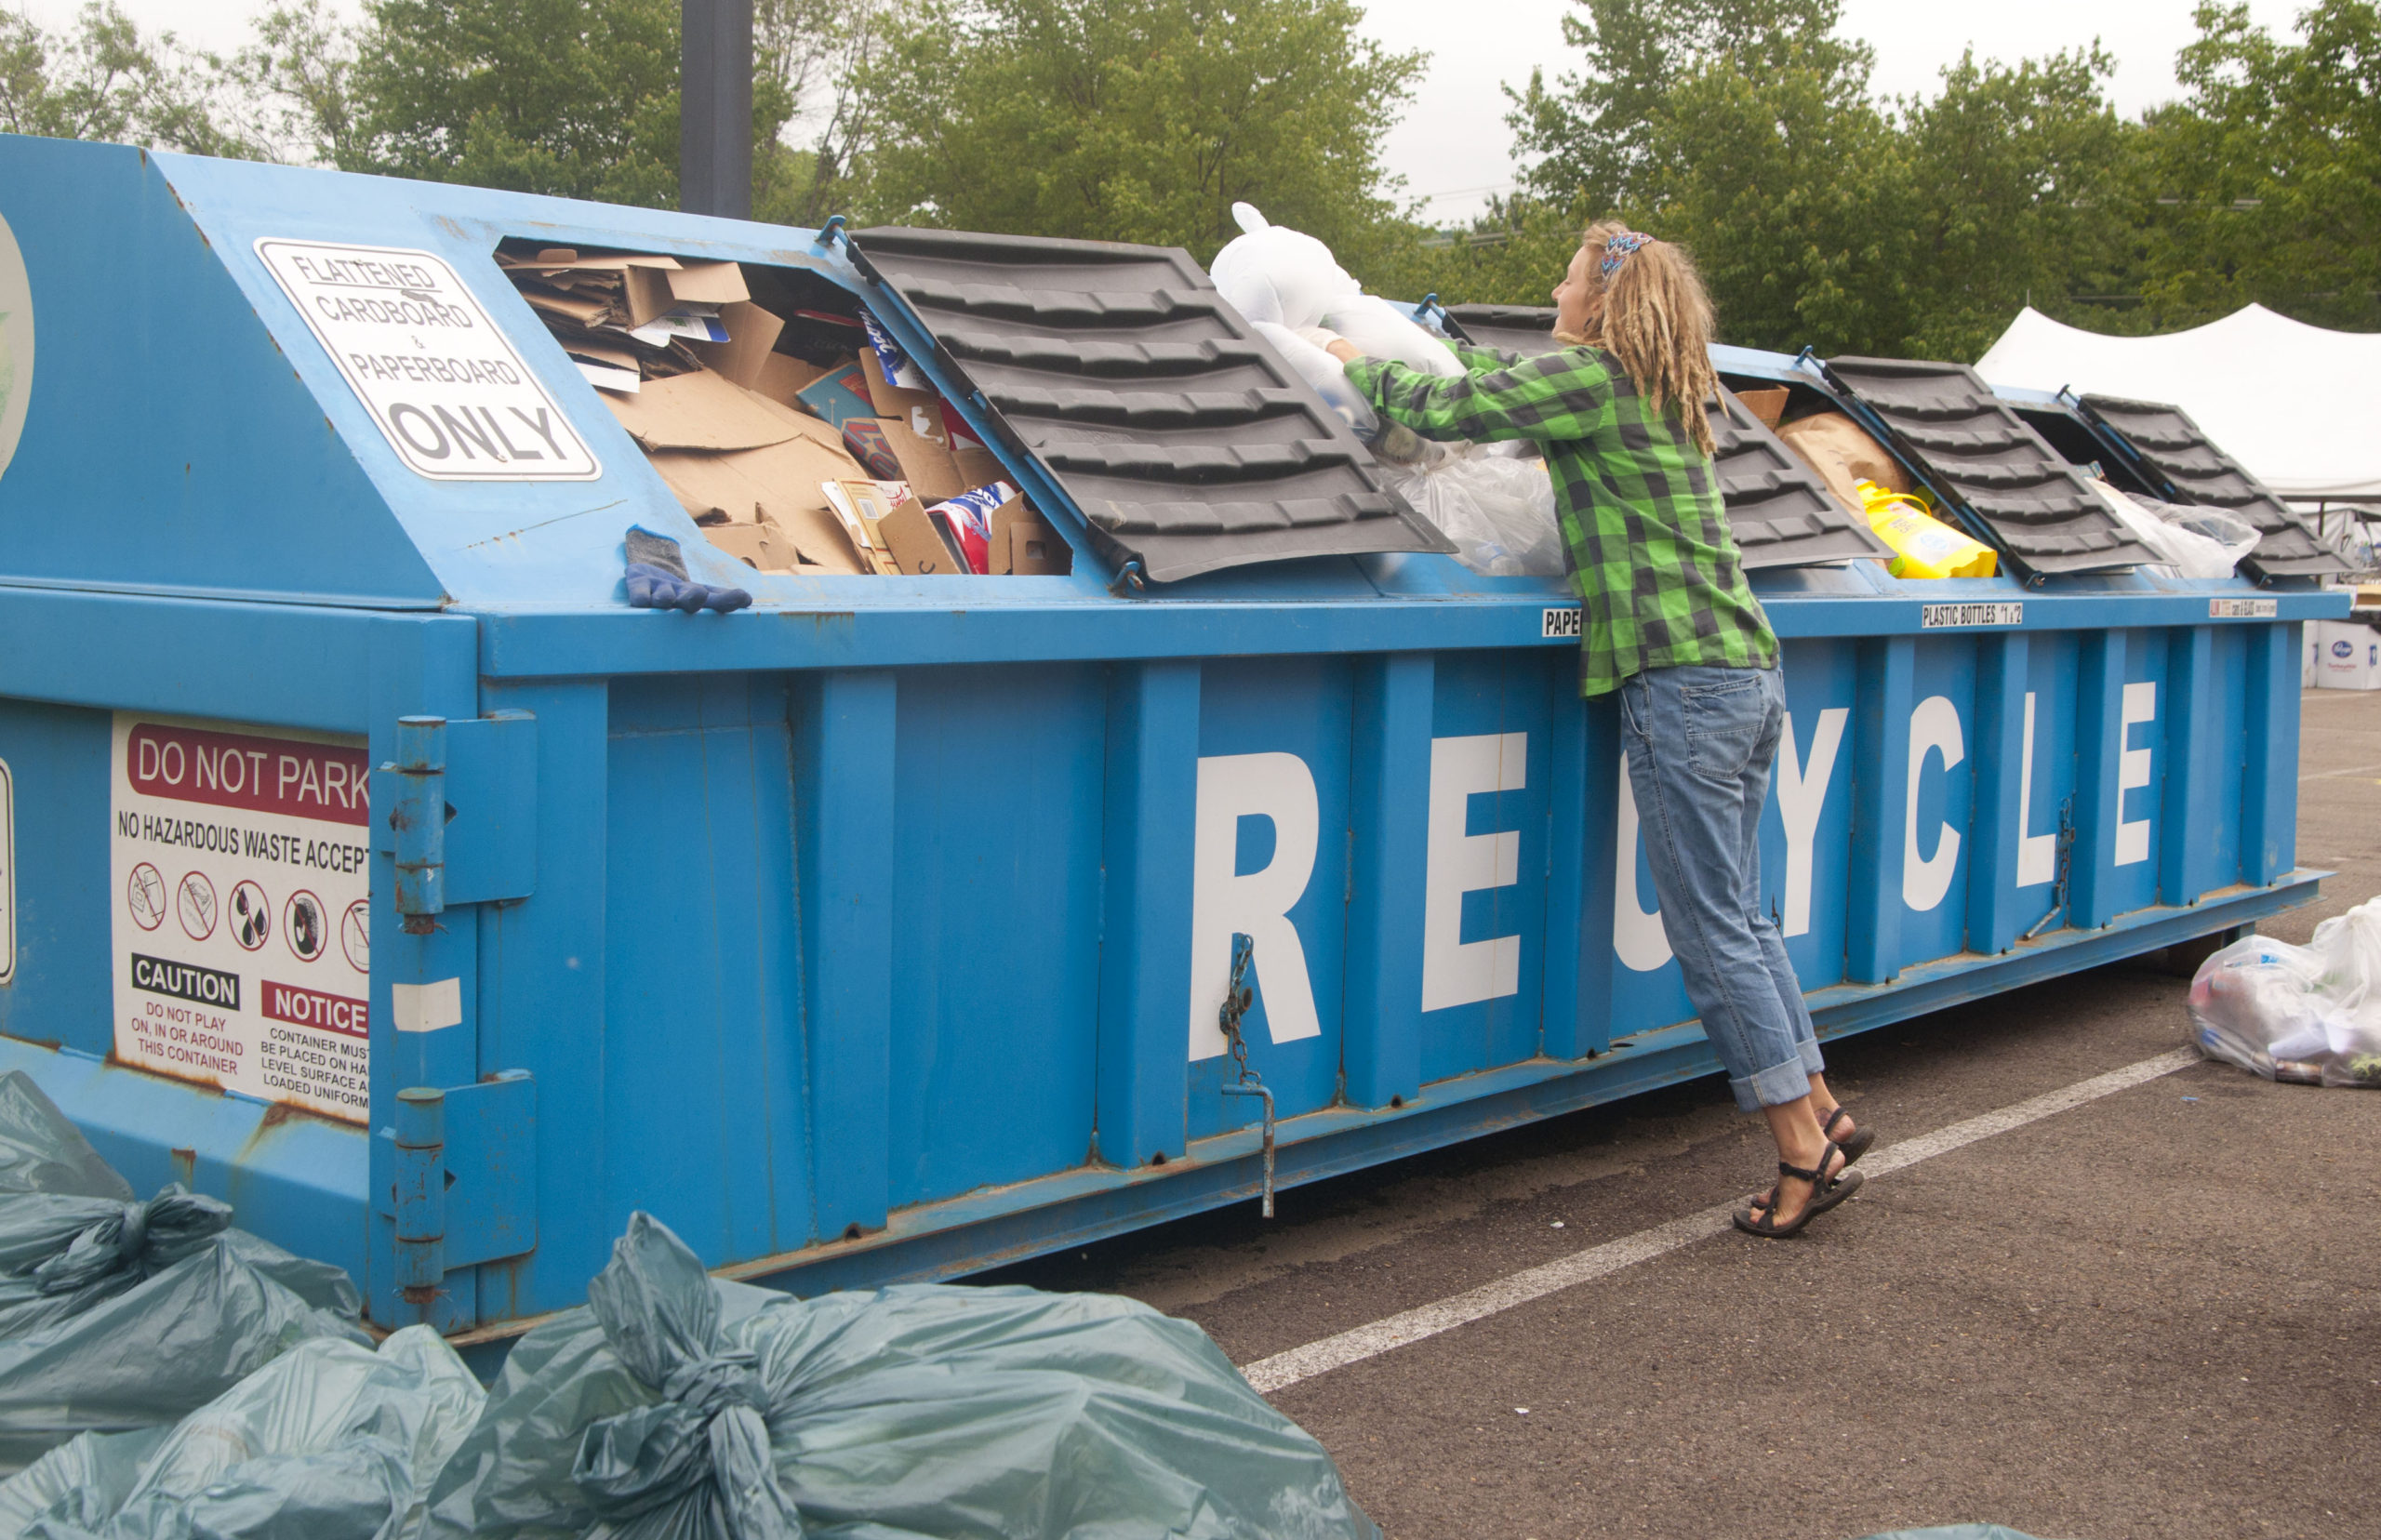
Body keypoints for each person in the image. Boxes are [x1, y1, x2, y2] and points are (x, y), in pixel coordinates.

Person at [1325, 224, 1872, 1237]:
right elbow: (1501, 380)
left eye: (1568, 276)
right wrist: (1442, 352)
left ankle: (1799, 1151)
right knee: (1744, 915)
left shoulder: (1592, 385)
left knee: (1708, 928)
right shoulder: (1662, 389)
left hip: (1685, 683)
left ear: (1604, 304)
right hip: (1745, 670)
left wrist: (1364, 365)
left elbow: (1456, 406)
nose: (1553, 284)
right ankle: (1825, 1112)